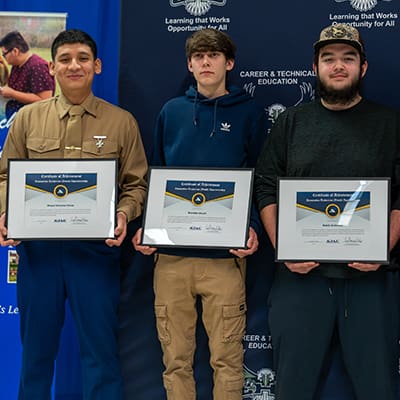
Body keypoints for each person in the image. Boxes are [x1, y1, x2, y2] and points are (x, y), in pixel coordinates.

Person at [0, 29, 148, 400]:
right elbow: (5, 176)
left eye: (83, 57)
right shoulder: (27, 120)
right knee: (35, 355)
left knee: (100, 356)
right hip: (39, 255)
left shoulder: (121, 122)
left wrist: (123, 214)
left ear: (96, 66)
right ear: (51, 67)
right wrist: (6, 213)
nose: (74, 65)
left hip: (95, 255)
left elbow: (136, 184)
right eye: (65, 59)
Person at [255, 23, 400, 400]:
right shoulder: (291, 122)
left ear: (362, 68)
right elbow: (267, 186)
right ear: (315, 67)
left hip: (370, 282)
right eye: (329, 59)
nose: (338, 66)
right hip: (301, 280)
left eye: (348, 58)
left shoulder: (391, 123)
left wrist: (382, 246)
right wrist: (286, 247)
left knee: (378, 389)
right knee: (293, 389)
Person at [133, 28, 267, 400]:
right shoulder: (171, 112)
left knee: (227, 359)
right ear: (189, 64)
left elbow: (259, 177)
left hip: (225, 259)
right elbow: (158, 174)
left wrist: (252, 226)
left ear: (229, 63)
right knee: (175, 360)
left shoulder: (249, 114)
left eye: (214, 55)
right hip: (172, 257)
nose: (206, 62)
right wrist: (148, 228)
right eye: (199, 56)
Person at [0, 30, 55, 118]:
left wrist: (12, 94)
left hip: (32, 123)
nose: (3, 57)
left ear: (15, 51)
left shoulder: (37, 67)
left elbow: (45, 100)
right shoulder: (17, 65)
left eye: (4, 54)